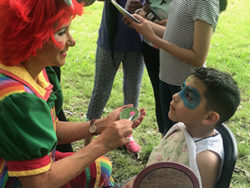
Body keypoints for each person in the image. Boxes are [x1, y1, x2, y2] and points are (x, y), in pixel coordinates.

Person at [0, 0, 146, 187]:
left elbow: (51, 127)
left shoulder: (32, 70)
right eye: (62, 32)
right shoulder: (18, 99)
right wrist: (101, 144)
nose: (72, 41)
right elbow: (39, 183)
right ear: (31, 36)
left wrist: (101, 124)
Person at [119, 67, 241, 188]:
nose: (175, 96)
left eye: (189, 96)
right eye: (182, 89)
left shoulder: (204, 160)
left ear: (209, 118)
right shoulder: (183, 128)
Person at [125, 0, 228, 135]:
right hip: (166, 77)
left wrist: (155, 40)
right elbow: (174, 34)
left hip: (185, 86)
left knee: (182, 138)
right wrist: (145, 24)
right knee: (168, 134)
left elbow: (198, 58)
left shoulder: (205, 3)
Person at [85, 0, 145, 150]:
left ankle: (127, 135)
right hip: (110, 42)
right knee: (101, 91)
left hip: (138, 42)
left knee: (132, 91)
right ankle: (88, 137)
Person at [126, 0, 172, 136]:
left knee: (175, 95)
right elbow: (149, 3)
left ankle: (179, 141)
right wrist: (142, 11)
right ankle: (165, 138)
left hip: (175, 46)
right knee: (160, 93)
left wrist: (175, 24)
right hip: (151, 46)